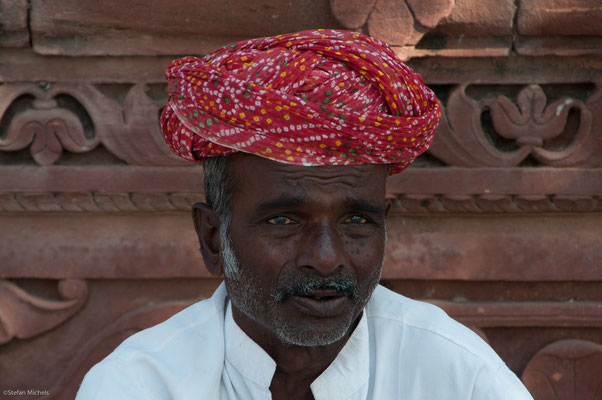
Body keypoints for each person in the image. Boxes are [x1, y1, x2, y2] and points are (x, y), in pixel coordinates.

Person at [76, 29, 533, 399]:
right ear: (213, 237)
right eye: (285, 220)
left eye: (357, 220)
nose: (326, 256)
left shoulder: (457, 377)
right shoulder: (139, 386)